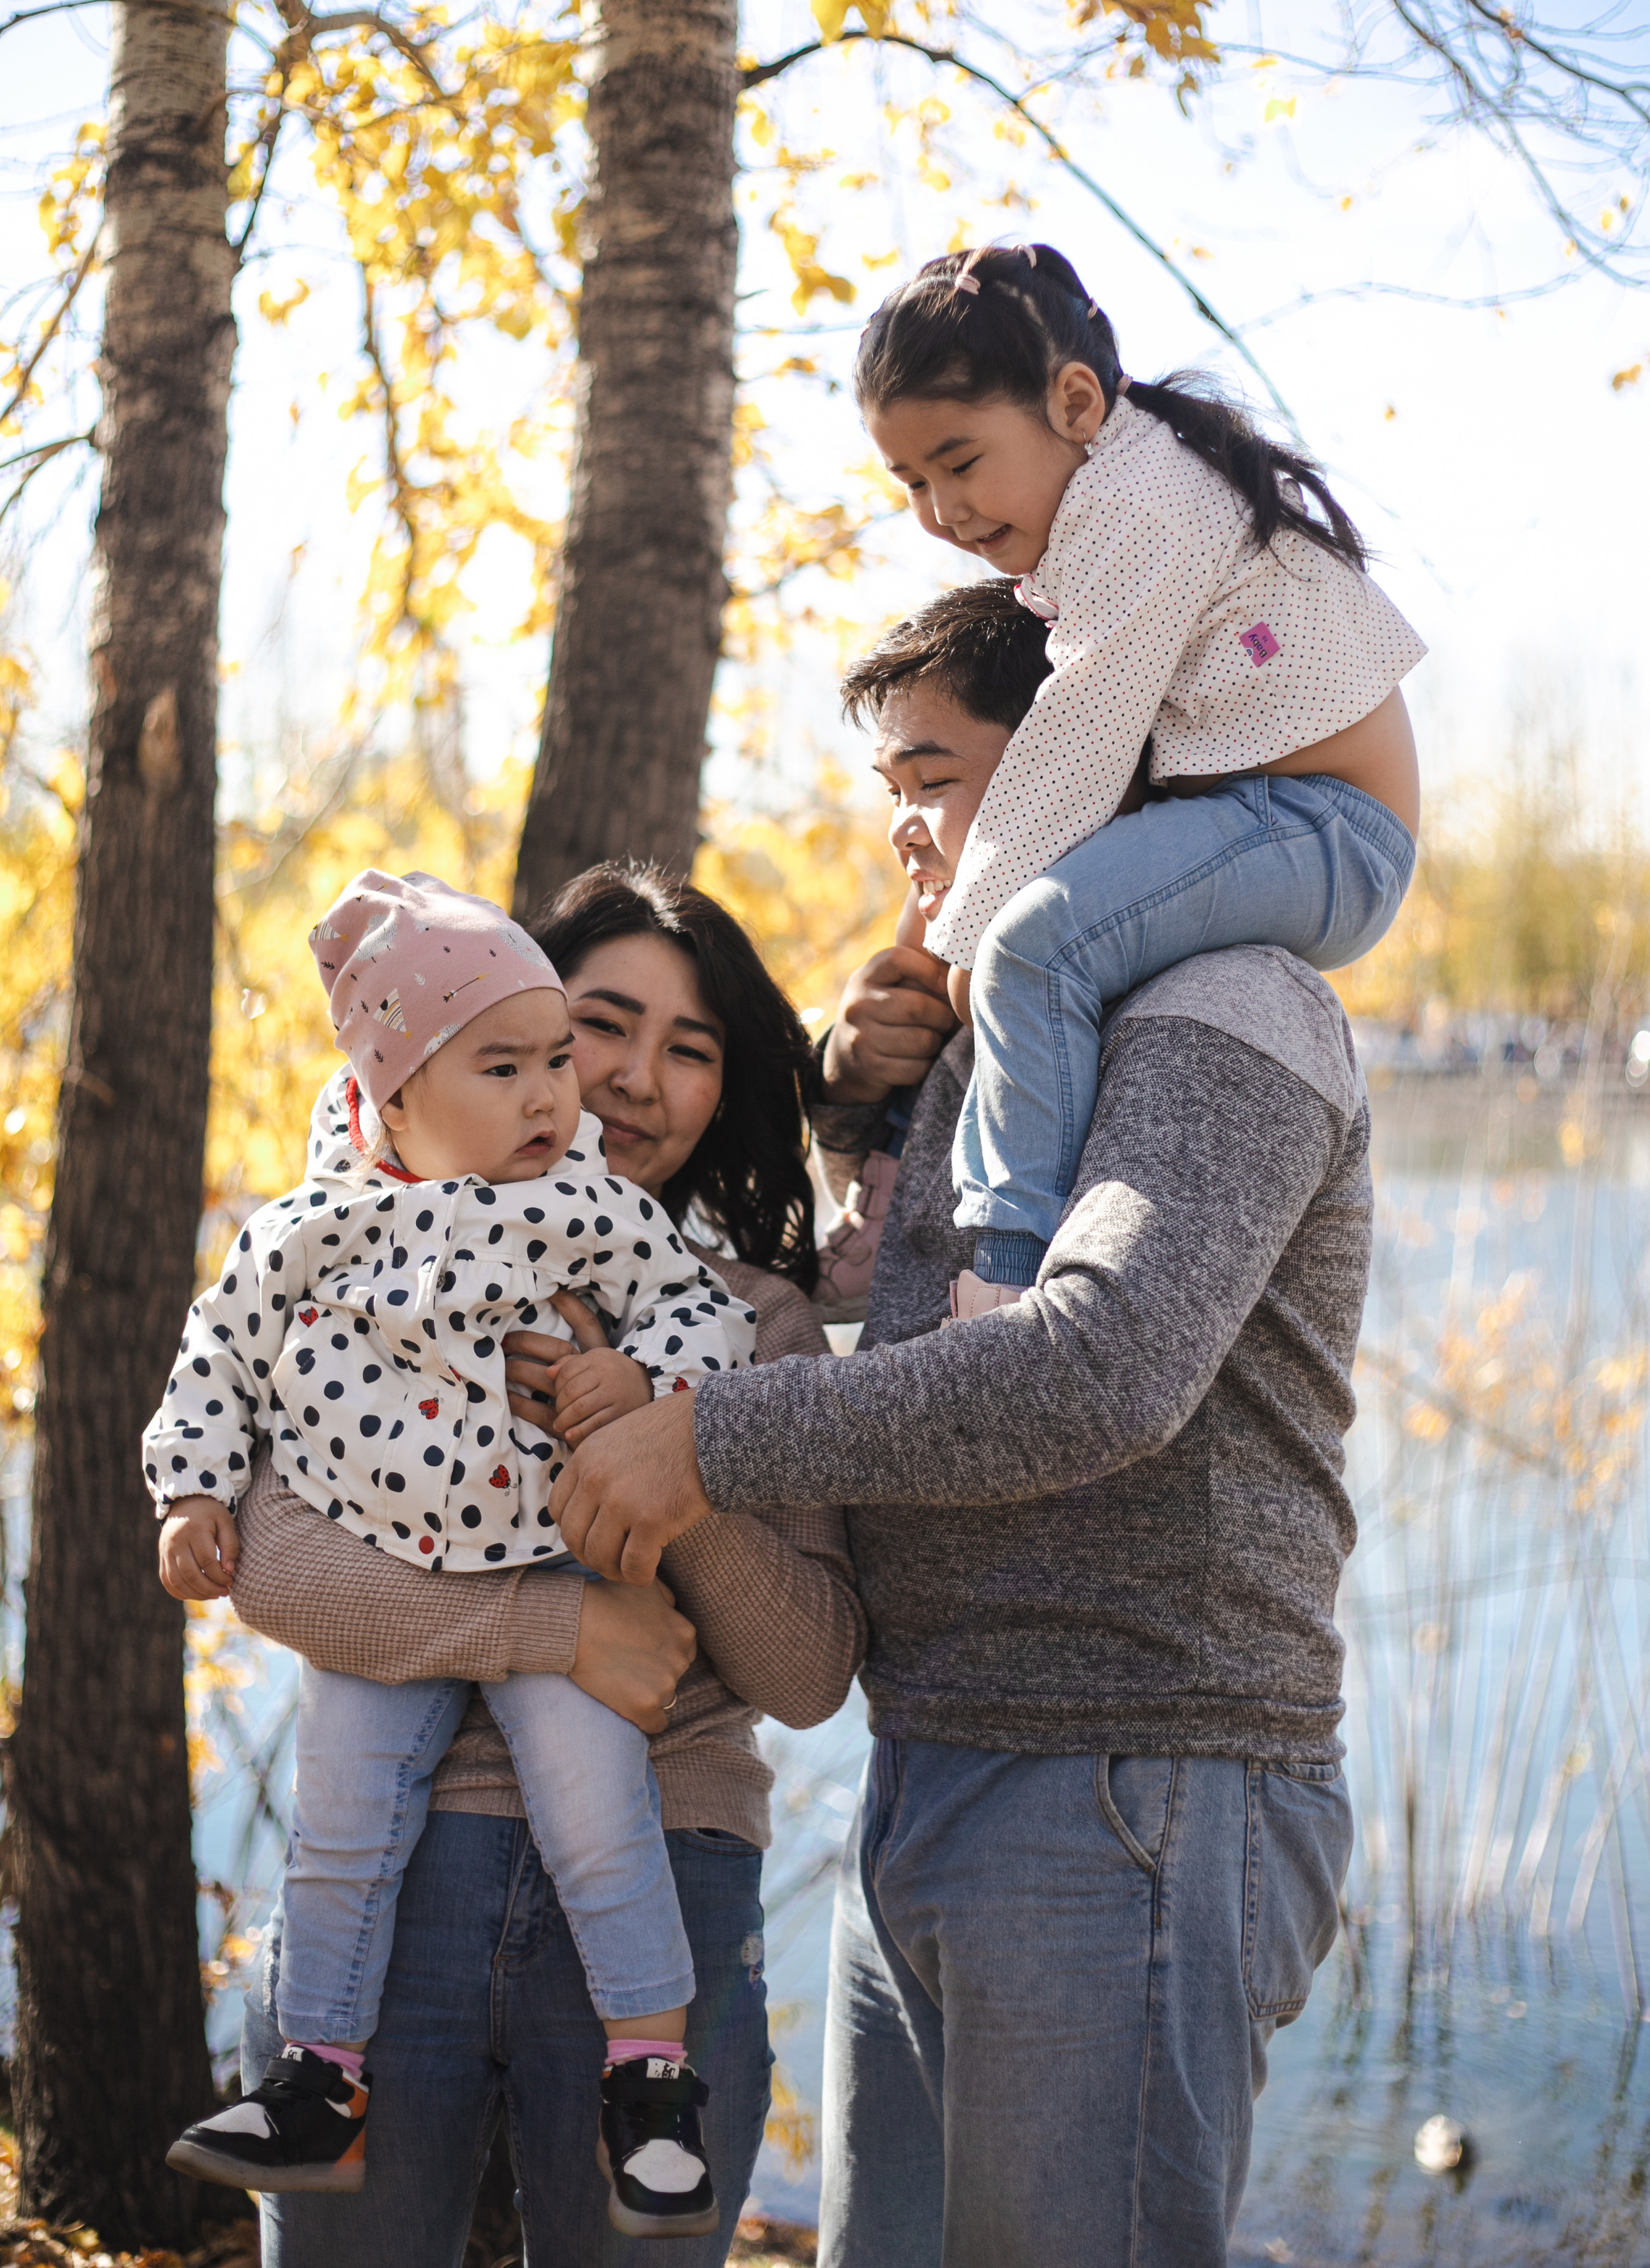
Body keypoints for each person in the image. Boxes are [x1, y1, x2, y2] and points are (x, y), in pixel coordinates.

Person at [547, 584, 1371, 2268]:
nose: (905, 839)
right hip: (935, 1772)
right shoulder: (1019, 1039)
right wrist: (864, 1098)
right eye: (888, 797)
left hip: (1133, 1789)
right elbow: (889, 1300)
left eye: (929, 780)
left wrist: (705, 1444)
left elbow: (1095, 1369)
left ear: (1081, 761)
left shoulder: (1223, 1006)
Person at [231, 864, 866, 2267]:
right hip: (397, 1896)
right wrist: (550, 1629)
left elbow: (812, 1670)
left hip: (671, 1883)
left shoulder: (755, 1326)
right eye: (598, 1025)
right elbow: (269, 1564)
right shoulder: (366, 1266)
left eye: (689, 1049)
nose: (631, 1079)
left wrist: (673, 1463)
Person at [854, 241, 1424, 1302]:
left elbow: (1069, 753)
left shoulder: (1139, 512)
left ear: (1075, 401)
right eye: (912, 480)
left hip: (1325, 830)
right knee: (1019, 936)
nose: (941, 510)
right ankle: (957, 1218)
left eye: (961, 461)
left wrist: (960, 944)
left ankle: (1009, 1274)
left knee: (1030, 947)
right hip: (1274, 815)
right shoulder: (1124, 488)